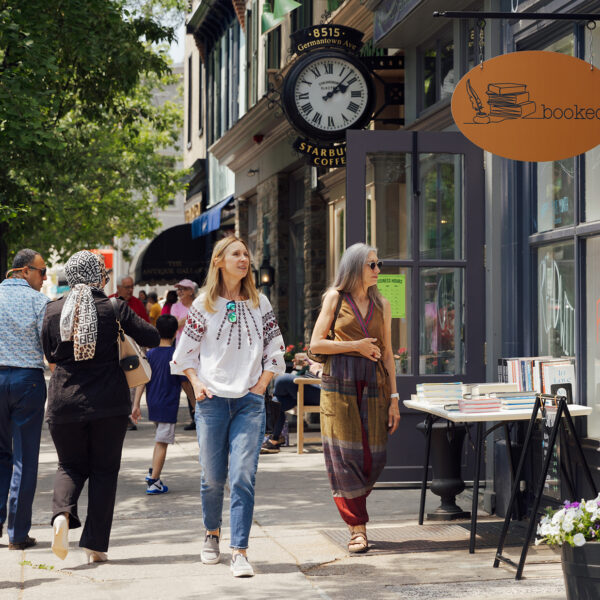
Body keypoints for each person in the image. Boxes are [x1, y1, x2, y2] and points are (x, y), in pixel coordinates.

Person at [171, 236, 285, 578]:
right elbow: (184, 356)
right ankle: (211, 533)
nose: (244, 259)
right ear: (219, 261)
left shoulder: (259, 302)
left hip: (250, 404)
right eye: (236, 254)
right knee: (212, 479)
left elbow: (275, 349)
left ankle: (240, 551)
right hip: (212, 404)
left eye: (246, 254)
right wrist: (197, 382)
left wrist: (262, 384)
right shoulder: (203, 304)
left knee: (242, 478)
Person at [42, 250, 159, 563]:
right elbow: (151, 334)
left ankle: (61, 517)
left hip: (64, 402)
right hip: (109, 404)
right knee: (104, 471)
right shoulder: (115, 307)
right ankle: (94, 546)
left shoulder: (53, 310)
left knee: (69, 465)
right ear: (99, 277)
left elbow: (49, 355)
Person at [309, 243, 401, 554]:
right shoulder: (335, 299)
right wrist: (355, 346)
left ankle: (356, 509)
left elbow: (387, 353)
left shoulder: (383, 304)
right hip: (339, 386)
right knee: (343, 458)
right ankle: (357, 529)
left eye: (379, 264)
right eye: (371, 265)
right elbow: (315, 345)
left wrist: (394, 399)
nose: (378, 270)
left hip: (374, 387)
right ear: (354, 268)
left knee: (375, 457)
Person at [0, 249, 49, 550]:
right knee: (25, 459)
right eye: (42, 272)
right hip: (27, 381)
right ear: (25, 271)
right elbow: (49, 345)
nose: (44, 279)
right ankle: (18, 533)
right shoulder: (39, 302)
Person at [131, 314, 181, 495]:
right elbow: (185, 383)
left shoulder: (150, 354)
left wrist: (136, 404)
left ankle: (153, 471)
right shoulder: (176, 356)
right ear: (176, 332)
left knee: (160, 438)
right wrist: (195, 404)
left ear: (156, 331)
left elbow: (142, 380)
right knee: (162, 442)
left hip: (153, 403)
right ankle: (154, 482)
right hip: (168, 404)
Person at [110, 275, 150, 431]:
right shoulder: (109, 302)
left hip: (133, 349)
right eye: (127, 287)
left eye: (132, 286)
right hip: (114, 350)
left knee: (133, 382)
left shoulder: (137, 304)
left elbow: (145, 324)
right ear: (118, 287)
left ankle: (128, 415)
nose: (130, 290)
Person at [260, 355, 321, 454]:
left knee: (282, 380)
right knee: (276, 401)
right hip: (306, 384)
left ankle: (270, 435)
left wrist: (317, 368)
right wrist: (306, 364)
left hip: (321, 389)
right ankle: (274, 440)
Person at [170, 279, 199, 431]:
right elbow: (175, 325)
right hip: (182, 348)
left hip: (199, 349)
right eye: (179, 289)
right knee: (185, 381)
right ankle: (194, 412)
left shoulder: (199, 304)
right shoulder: (176, 306)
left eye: (183, 289)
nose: (180, 292)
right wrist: (190, 318)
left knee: (199, 380)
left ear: (191, 291)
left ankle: (200, 414)